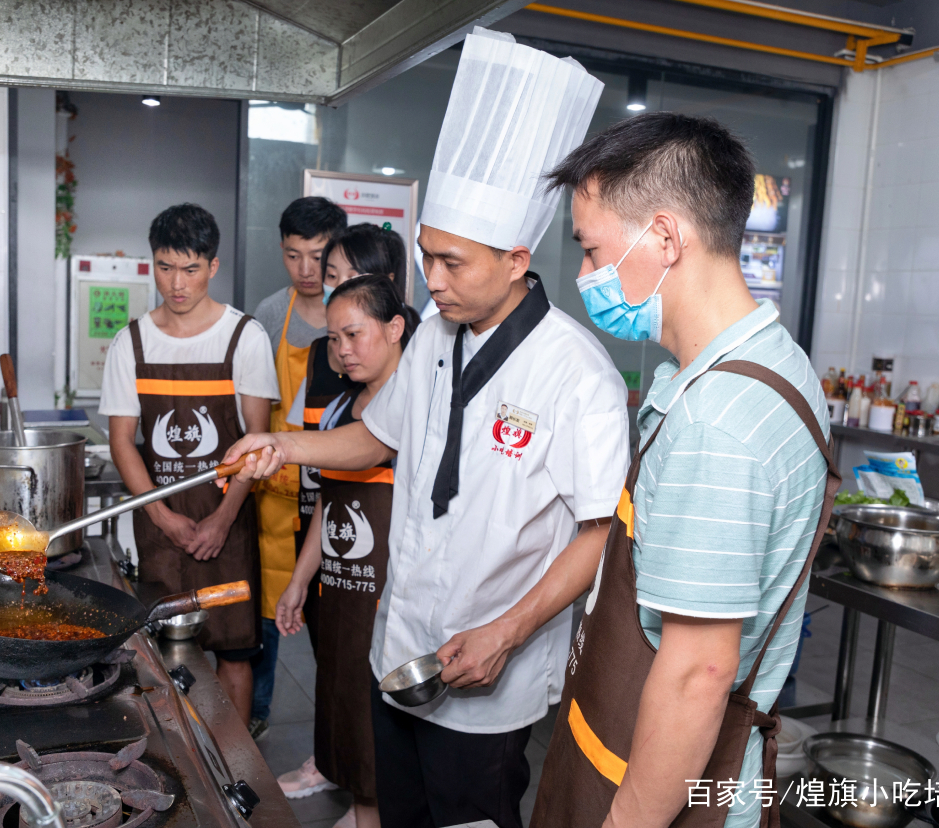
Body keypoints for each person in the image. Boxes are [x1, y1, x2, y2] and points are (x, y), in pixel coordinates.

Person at [226, 29, 628, 828]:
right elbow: (381, 439)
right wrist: (286, 444)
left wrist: (508, 633)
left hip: (490, 668)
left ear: (517, 259)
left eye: (453, 265)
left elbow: (598, 536)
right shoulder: (435, 340)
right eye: (427, 258)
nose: (430, 283)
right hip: (402, 644)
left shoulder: (576, 374)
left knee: (470, 817)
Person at [530, 114, 838, 828]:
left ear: (665, 238)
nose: (584, 278)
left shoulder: (717, 422)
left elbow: (699, 671)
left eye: (593, 251)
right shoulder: (767, 365)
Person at [100, 204, 279, 725]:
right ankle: (181, 763)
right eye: (164, 267)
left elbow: (256, 443)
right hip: (160, 528)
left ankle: (236, 772)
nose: (177, 284)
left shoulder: (244, 337)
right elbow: (122, 443)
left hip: (228, 521)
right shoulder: (129, 342)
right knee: (161, 657)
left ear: (213, 266)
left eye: (191, 268)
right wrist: (163, 518)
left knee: (235, 652)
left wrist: (222, 520)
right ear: (152, 264)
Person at [276, 225, 413, 804]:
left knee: (376, 711)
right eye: (334, 339)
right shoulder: (338, 399)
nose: (342, 351)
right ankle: (357, 801)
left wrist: (279, 445)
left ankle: (371, 808)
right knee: (338, 690)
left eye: (353, 334)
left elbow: (372, 449)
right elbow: (331, 498)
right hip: (338, 577)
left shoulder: (413, 397)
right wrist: (301, 579)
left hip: (387, 590)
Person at [249, 196, 348, 740]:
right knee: (266, 618)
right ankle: (258, 711)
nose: (306, 271)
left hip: (339, 486)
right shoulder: (268, 314)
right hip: (274, 493)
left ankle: (336, 734)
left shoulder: (357, 313)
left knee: (335, 625)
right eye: (293, 256)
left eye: (318, 257)